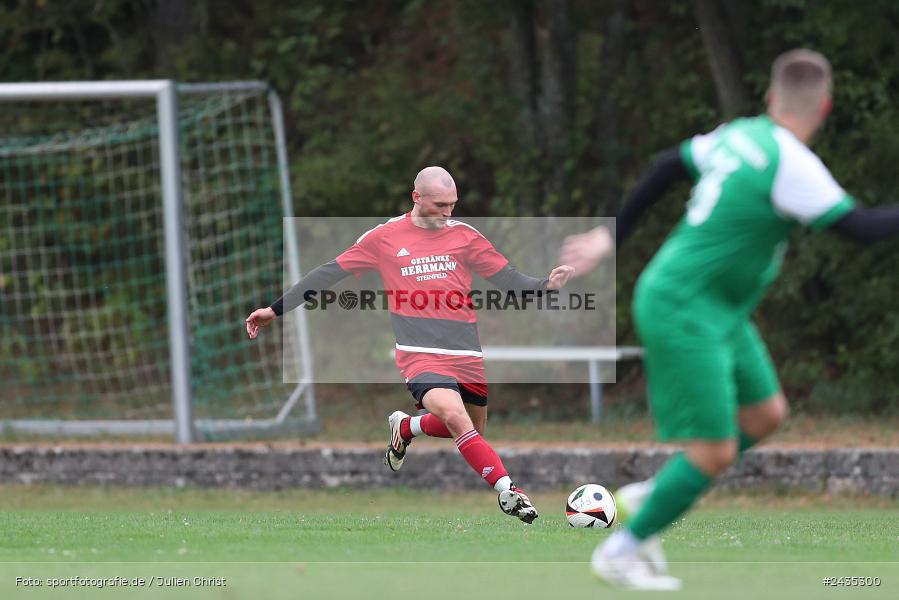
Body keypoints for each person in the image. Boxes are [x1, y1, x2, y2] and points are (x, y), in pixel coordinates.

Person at [561, 48, 899, 590]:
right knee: (714, 450)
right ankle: (621, 549)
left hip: (717, 308)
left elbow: (666, 166)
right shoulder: (792, 163)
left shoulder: (739, 135)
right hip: (683, 305)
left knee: (765, 414)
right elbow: (859, 228)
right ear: (826, 108)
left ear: (770, 98)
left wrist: (612, 235)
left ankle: (658, 493)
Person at [247, 166, 574, 523]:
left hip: (465, 352)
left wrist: (545, 285)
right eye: (440, 205)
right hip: (420, 354)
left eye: (453, 205)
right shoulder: (384, 237)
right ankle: (509, 490)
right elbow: (329, 272)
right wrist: (275, 310)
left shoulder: (464, 235)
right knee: (454, 416)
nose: (448, 213)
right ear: (416, 198)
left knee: (473, 429)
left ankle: (407, 427)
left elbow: (507, 279)